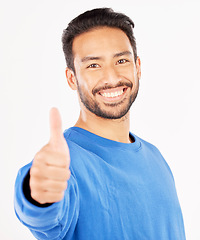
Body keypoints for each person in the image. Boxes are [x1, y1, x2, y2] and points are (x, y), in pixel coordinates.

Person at [14, 8, 186, 240]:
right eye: (93, 65)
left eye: (121, 60)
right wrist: (37, 194)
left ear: (138, 67)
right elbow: (44, 214)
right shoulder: (65, 165)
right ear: (72, 78)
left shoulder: (157, 158)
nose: (111, 77)